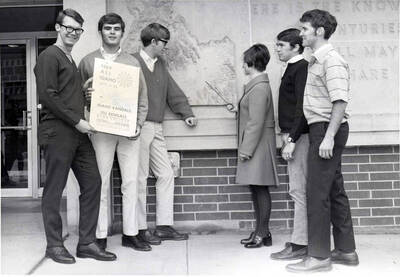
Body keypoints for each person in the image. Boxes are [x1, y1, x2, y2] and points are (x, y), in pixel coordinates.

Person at [34, 9, 116, 264]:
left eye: (77, 30)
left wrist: (83, 94)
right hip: (59, 131)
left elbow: (64, 94)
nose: (72, 33)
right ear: (58, 28)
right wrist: (77, 121)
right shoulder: (49, 56)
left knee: (93, 182)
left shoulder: (69, 58)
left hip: (77, 132)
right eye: (68, 28)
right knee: (54, 190)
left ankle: (87, 242)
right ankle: (54, 245)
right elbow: (49, 96)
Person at [286, 9, 358, 273]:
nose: (300, 33)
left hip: (327, 129)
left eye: (304, 29)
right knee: (334, 190)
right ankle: (346, 251)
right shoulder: (315, 60)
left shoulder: (332, 60)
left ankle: (318, 257)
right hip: (323, 128)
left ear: (319, 31)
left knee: (316, 194)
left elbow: (340, 101)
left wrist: (327, 137)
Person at [79, 13, 151, 252]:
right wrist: (86, 97)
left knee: (130, 182)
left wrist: (139, 124)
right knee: (101, 182)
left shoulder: (132, 62)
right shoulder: (88, 61)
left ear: (122, 33)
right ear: (100, 31)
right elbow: (77, 96)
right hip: (101, 129)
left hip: (128, 130)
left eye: (117, 28)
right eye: (108, 28)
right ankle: (99, 235)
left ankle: (131, 233)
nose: (112, 32)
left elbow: (142, 96)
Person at [132, 23, 197, 244]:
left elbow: (172, 90)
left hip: (157, 127)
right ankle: (140, 229)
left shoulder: (159, 65)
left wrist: (185, 112)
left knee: (166, 174)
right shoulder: (132, 62)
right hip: (138, 128)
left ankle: (164, 226)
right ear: (154, 42)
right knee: (139, 179)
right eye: (164, 44)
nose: (165, 49)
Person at [270, 28, 309, 261]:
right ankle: (299, 240)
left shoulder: (301, 67)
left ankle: (300, 244)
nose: (277, 49)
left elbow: (302, 109)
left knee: (298, 190)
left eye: (281, 45)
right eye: (277, 45)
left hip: (298, 138)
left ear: (296, 47)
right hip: (292, 136)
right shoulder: (292, 68)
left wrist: (292, 139)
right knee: (296, 190)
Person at [236, 44, 279, 248]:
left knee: (260, 189)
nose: (243, 65)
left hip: (257, 146)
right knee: (256, 189)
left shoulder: (259, 87)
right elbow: (251, 115)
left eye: (245, 61)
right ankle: (263, 232)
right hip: (258, 145)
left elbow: (255, 122)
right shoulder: (257, 85)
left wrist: (245, 150)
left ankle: (262, 233)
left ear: (251, 63)